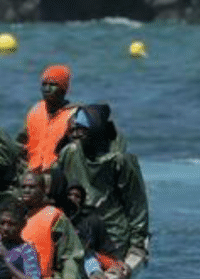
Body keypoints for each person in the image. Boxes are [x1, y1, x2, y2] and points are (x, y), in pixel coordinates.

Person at [57, 104, 150, 258]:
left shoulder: (120, 160)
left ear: (95, 130)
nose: (76, 134)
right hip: (79, 225)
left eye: (82, 129)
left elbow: (136, 204)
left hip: (113, 232)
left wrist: (137, 243)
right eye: (74, 129)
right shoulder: (70, 153)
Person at [18, 171, 83, 279]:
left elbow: (71, 253)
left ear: (44, 190)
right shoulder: (14, 216)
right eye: (23, 187)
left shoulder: (55, 216)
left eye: (32, 187)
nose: (26, 190)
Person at [17, 65, 78, 174]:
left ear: (63, 89)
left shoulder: (73, 114)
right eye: (44, 85)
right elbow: (22, 140)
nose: (47, 89)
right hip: (31, 171)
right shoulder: (35, 110)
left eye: (53, 85)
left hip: (56, 173)